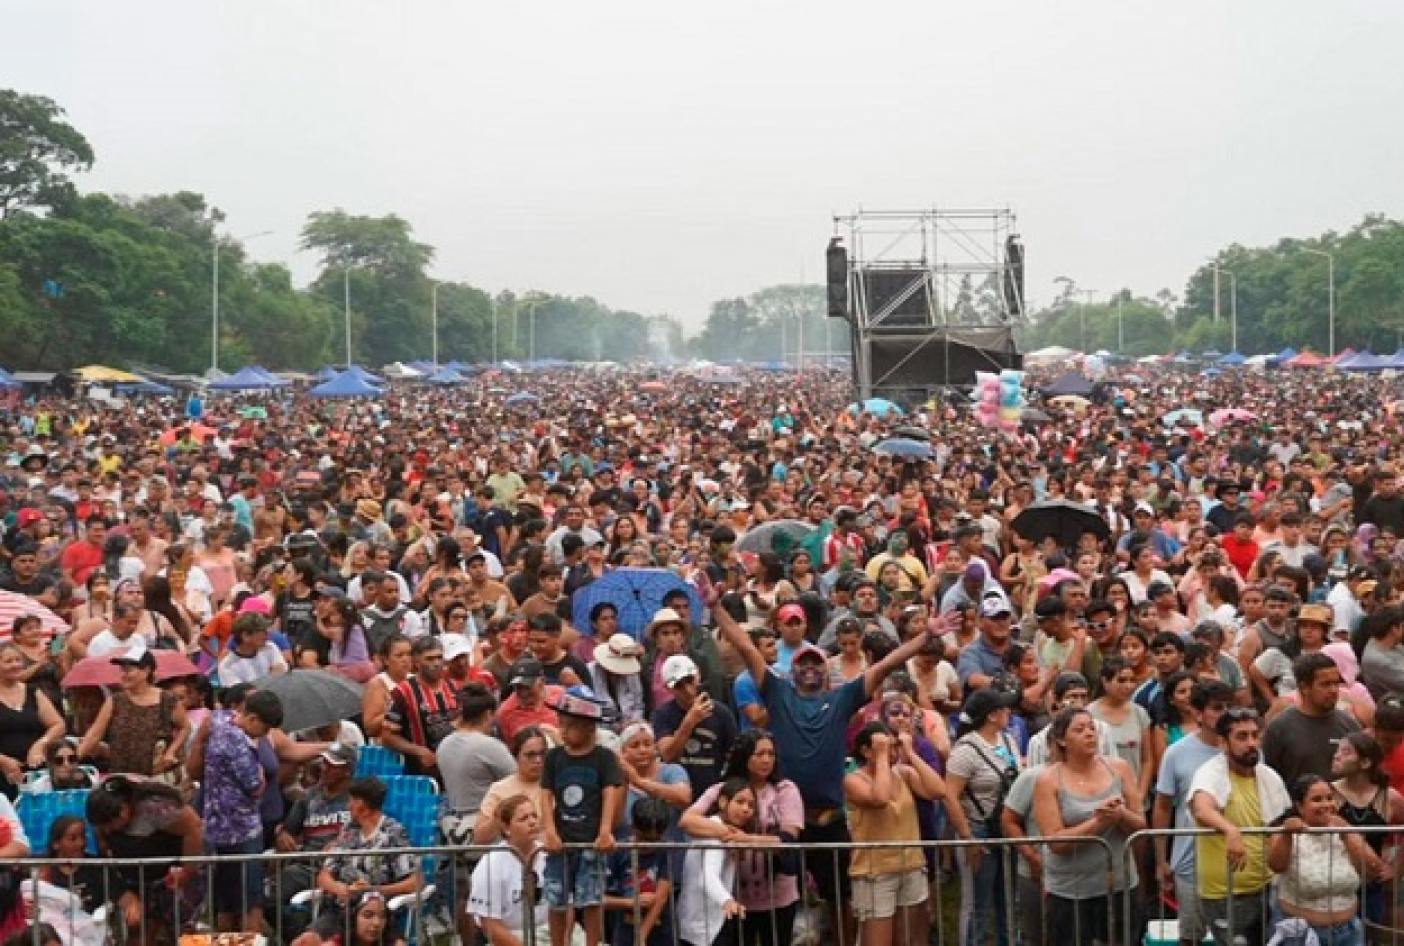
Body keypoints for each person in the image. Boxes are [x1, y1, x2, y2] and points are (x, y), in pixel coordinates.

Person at [714, 600, 957, 944]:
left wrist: (924, 637)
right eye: (803, 663)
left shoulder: (842, 698)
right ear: (791, 671)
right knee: (775, 901)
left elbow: (886, 665)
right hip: (787, 823)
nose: (810, 668)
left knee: (842, 900)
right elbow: (745, 646)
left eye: (816, 663)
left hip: (830, 820)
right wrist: (715, 605)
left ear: (826, 671)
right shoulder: (778, 693)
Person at [1033, 707, 1145, 946]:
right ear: (1062, 740)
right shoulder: (1048, 780)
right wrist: (1098, 822)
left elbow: (1141, 827)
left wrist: (1121, 815)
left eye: (1092, 728)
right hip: (1070, 892)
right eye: (1080, 729)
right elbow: (1055, 843)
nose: (1089, 733)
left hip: (1119, 886)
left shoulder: (1119, 768)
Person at [680, 730, 802, 946]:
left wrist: (746, 839)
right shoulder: (723, 789)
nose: (766, 760)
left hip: (778, 894)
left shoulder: (785, 789)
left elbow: (789, 839)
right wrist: (724, 832)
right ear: (744, 756)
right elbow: (687, 820)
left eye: (771, 754)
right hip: (736, 894)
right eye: (759, 754)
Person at [1189, 708, 1289, 946]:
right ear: (1223, 742)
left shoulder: (1269, 777)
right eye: (1242, 737)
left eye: (1255, 735)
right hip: (1225, 893)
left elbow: (1278, 824)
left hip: (1266, 887)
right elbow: (1202, 808)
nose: (1252, 743)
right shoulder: (1209, 773)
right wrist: (1230, 830)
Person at [843, 721, 945, 946]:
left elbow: (938, 790)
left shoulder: (904, 773)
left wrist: (911, 754)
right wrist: (880, 756)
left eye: (892, 746)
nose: (891, 751)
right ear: (866, 751)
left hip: (910, 866)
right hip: (875, 872)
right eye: (884, 747)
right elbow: (880, 798)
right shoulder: (853, 780)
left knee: (906, 939)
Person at [1152, 680, 1233, 946]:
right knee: (1191, 937)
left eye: (1229, 707)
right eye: (1217, 708)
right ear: (1198, 713)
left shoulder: (1247, 751)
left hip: (1237, 863)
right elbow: (1163, 806)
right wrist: (1161, 859)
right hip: (1190, 863)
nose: (1225, 714)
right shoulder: (1176, 753)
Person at [296, 777, 423, 946]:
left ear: (362, 805)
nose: (348, 806)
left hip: (375, 914)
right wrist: (342, 889)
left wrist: (374, 890)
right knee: (304, 942)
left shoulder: (393, 834)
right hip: (339, 912)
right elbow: (323, 877)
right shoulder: (349, 830)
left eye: (351, 801)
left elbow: (416, 882)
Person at [541, 690, 625, 946]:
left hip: (591, 839)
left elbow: (610, 793)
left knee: (591, 900)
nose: (563, 731)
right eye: (561, 725)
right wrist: (549, 831)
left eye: (570, 726)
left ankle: (592, 943)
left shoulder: (604, 758)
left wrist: (605, 830)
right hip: (561, 840)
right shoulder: (554, 757)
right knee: (556, 899)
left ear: (589, 727)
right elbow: (545, 794)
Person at [201, 688, 284, 932]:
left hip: (216, 827)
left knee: (225, 902)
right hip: (242, 829)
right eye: (265, 728)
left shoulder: (218, 720)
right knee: (250, 902)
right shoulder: (236, 740)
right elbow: (254, 785)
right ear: (252, 718)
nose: (265, 735)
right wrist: (260, 773)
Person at [1268, 774, 1385, 946]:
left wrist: (1346, 832)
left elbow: (1374, 869)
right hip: (1301, 935)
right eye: (1317, 799)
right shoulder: (1286, 832)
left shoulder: (1343, 829)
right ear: (1300, 806)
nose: (1326, 804)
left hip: (1349, 933)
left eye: (1329, 798)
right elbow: (1276, 865)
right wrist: (1287, 835)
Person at [944, 687, 1021, 946]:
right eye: (1004, 708)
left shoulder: (1008, 741)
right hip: (978, 830)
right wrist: (968, 839)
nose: (1009, 712)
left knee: (1008, 900)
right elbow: (950, 796)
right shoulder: (965, 750)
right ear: (991, 715)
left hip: (1006, 829)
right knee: (977, 903)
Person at [85, 775, 205, 941]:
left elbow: (194, 828)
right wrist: (125, 895)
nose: (108, 830)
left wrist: (187, 871)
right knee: (139, 929)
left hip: (175, 869)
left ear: (123, 810)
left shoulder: (155, 807)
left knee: (183, 930)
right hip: (139, 875)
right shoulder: (102, 818)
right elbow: (104, 852)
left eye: (110, 824)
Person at [78, 649, 189, 777]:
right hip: (122, 774)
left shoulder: (167, 700)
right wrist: (74, 758)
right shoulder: (115, 701)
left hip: (157, 775)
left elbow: (185, 727)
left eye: (128, 670)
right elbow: (94, 735)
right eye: (122, 670)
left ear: (146, 671)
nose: (123, 675)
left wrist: (171, 751)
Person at [1262, 651, 1360, 787]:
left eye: (1336, 683)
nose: (1333, 690)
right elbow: (1269, 779)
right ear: (1304, 688)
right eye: (1325, 684)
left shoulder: (1349, 725)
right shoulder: (1279, 729)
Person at [676, 778, 753, 946]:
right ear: (723, 802)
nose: (746, 809)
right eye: (740, 802)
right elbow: (708, 877)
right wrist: (727, 901)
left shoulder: (718, 829)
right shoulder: (715, 833)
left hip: (705, 918)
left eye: (750, 805)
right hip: (706, 921)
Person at [469, 793, 551, 946]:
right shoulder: (490, 863)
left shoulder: (549, 855)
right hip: (510, 937)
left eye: (534, 815)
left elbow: (566, 908)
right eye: (524, 818)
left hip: (551, 933)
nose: (532, 822)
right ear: (507, 828)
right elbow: (490, 924)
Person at [652, 654, 737, 795]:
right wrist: (689, 721)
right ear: (668, 688)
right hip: (679, 792)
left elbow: (733, 757)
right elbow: (668, 756)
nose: (687, 690)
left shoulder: (721, 713)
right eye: (679, 686)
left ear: (698, 675)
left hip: (713, 792)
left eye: (689, 681)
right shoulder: (663, 714)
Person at [381, 636, 459, 776]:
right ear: (416, 663)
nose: (436, 663)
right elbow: (387, 736)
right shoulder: (403, 692)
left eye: (439, 657)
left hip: (455, 766)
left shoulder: (454, 687)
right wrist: (418, 751)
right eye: (429, 659)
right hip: (421, 772)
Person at [0, 642, 65, 800]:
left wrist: (41, 744)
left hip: (34, 773)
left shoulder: (32, 692)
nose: (15, 665)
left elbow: (58, 724)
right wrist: (3, 760)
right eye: (8, 661)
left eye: (18, 660)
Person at [616, 723, 691, 839]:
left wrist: (639, 782)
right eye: (634, 746)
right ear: (622, 752)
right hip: (627, 847)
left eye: (647, 744)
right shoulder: (615, 778)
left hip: (670, 846)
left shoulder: (672, 770)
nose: (642, 750)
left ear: (655, 748)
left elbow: (684, 797)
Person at [475, 727, 549, 845]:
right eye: (530, 755)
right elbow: (479, 838)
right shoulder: (499, 789)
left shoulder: (555, 785)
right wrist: (499, 815)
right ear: (516, 756)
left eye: (542, 754)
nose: (538, 760)